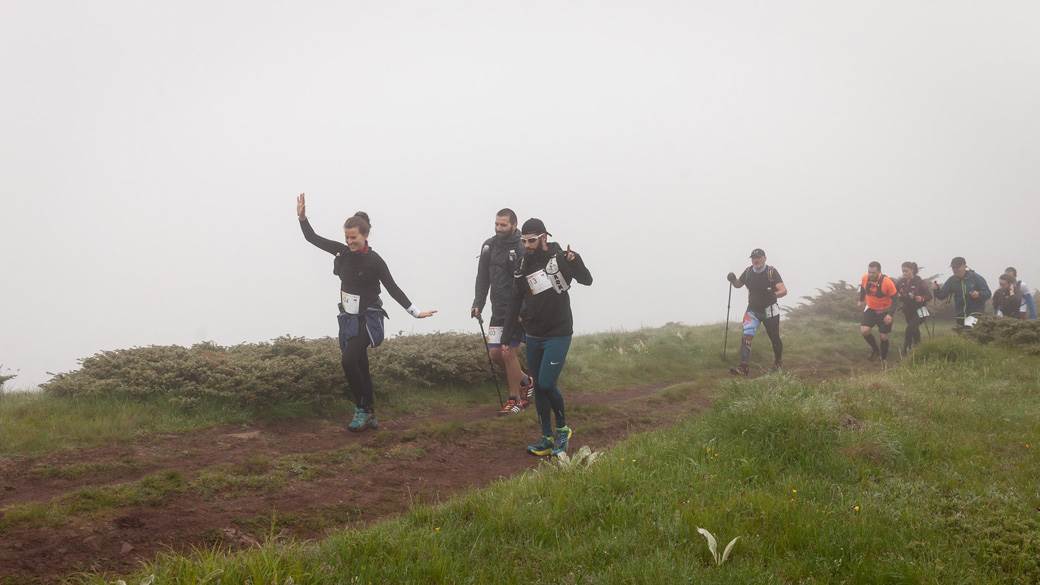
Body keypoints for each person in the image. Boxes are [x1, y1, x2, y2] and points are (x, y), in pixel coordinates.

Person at [296, 193, 436, 432]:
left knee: (348, 360)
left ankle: (361, 409)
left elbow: (393, 288)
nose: (350, 242)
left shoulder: (375, 261)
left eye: (354, 238)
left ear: (365, 236)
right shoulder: (341, 252)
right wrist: (302, 218)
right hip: (348, 318)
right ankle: (369, 412)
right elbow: (312, 238)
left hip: (369, 319)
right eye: (347, 237)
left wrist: (415, 312)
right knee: (360, 366)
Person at [502, 218, 592, 457]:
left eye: (531, 240)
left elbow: (587, 280)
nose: (527, 245)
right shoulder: (522, 264)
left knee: (545, 384)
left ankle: (563, 429)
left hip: (559, 332)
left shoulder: (561, 256)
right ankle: (546, 437)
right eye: (523, 241)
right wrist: (506, 337)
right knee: (540, 390)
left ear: (544, 237)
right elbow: (514, 301)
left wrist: (577, 260)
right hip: (534, 333)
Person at [472, 208, 534, 415]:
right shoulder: (488, 246)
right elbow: (482, 277)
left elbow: (526, 283)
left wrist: (523, 310)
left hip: (515, 310)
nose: (499, 228)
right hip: (497, 309)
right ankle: (526, 381)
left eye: (503, 225)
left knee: (508, 353)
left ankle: (514, 400)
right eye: (497, 224)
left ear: (514, 225)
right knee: (496, 354)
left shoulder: (520, 247)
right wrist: (477, 302)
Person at [726, 248, 788, 376]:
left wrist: (773, 294)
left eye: (758, 257)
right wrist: (732, 280)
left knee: (774, 338)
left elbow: (783, 290)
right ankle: (743, 367)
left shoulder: (771, 272)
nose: (756, 260)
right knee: (747, 336)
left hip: (770, 311)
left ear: (764, 258)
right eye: (754, 258)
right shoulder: (748, 272)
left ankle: (778, 362)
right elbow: (738, 284)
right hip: (752, 311)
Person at [933, 257, 991, 328]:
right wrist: (936, 289)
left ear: (964, 266)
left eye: (957, 267)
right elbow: (941, 295)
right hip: (960, 315)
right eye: (953, 267)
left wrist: (979, 294)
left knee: (969, 331)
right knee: (963, 335)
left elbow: (988, 293)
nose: (955, 270)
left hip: (975, 312)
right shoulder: (951, 280)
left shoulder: (976, 277)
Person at [858, 262, 898, 362]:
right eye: (869, 272)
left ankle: (883, 359)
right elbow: (863, 289)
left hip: (885, 310)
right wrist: (861, 300)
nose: (870, 275)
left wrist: (890, 314)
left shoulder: (887, 282)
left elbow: (895, 300)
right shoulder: (865, 278)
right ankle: (875, 350)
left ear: (879, 272)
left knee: (883, 336)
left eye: (873, 273)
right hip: (870, 308)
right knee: (864, 331)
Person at [895, 261, 932, 354]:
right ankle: (919, 348)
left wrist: (922, 298)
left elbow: (929, 296)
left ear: (912, 270)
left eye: (906, 271)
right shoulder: (901, 282)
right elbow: (893, 292)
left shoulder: (920, 282)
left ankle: (905, 349)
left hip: (922, 310)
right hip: (908, 310)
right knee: (914, 329)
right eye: (903, 271)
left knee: (910, 328)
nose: (904, 273)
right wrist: (898, 295)